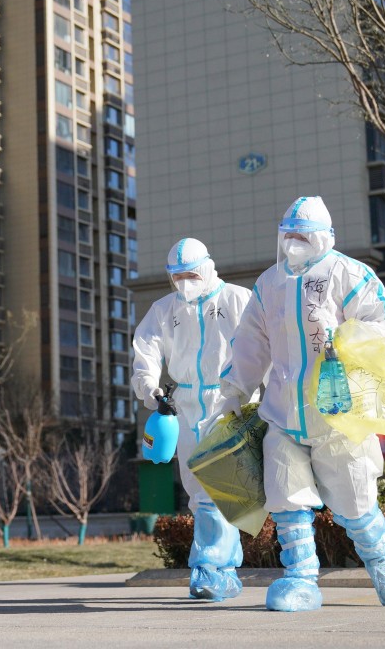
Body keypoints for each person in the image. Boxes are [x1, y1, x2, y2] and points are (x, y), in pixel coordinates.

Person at [219, 196, 385, 612]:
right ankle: (301, 579)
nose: (294, 244)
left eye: (303, 236)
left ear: (325, 237)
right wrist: (236, 387)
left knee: (354, 503)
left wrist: (346, 342)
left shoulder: (349, 273)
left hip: (337, 412)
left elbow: (382, 322)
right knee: (287, 498)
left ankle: (384, 554)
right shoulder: (269, 283)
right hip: (283, 412)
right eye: (288, 236)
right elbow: (252, 341)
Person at [132, 237, 253, 601]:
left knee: (218, 488)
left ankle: (207, 567)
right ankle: (227, 572)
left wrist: (252, 393)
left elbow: (260, 346)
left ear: (207, 267)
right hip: (183, 404)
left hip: (229, 400)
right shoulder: (164, 309)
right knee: (201, 490)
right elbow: (146, 351)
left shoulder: (237, 299)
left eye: (190, 274)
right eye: (176, 275)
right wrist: (152, 391)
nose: (184, 282)